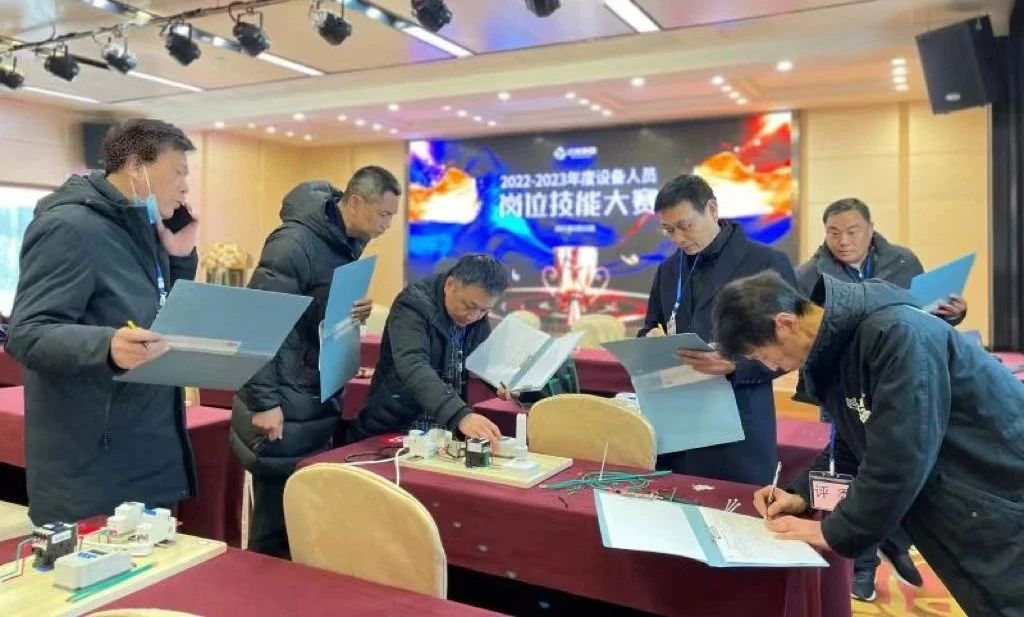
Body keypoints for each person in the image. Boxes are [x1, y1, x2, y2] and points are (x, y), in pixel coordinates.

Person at [712, 271, 1024, 617]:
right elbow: (855, 437)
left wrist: (834, 533)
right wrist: (803, 493)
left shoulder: (897, 335)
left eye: (761, 354)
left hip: (1001, 492)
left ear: (785, 324)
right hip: (968, 499)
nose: (771, 367)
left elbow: (900, 457)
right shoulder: (838, 347)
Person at [7, 119, 200, 524]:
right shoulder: (68, 227)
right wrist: (106, 346)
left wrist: (180, 257)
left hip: (146, 446)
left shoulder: (145, 230)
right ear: (136, 166)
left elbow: (160, 312)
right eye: (178, 172)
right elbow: (27, 333)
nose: (185, 187)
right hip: (91, 464)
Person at [794, 197, 969, 599]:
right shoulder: (809, 275)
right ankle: (862, 565)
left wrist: (954, 313)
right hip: (843, 388)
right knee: (851, 473)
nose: (843, 241)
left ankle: (896, 537)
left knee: (905, 464)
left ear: (871, 230)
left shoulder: (903, 262)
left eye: (852, 231)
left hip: (900, 382)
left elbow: (924, 317)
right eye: (833, 233)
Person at [229, 166, 401, 559]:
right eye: (383, 214)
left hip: (312, 393)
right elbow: (256, 324)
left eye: (392, 216)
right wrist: (265, 402)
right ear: (354, 202)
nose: (387, 225)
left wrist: (352, 311)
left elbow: (311, 312)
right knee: (273, 528)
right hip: (283, 399)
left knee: (303, 521)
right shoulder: (294, 244)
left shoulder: (345, 243)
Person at [638, 174, 797, 485]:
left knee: (737, 507)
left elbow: (793, 345)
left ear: (712, 209)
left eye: (685, 226)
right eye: (668, 230)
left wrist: (735, 365)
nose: (678, 238)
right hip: (678, 422)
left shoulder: (765, 262)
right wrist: (649, 341)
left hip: (739, 426)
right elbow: (651, 326)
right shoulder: (668, 270)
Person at [349, 254, 509, 443]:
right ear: (449, 285)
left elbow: (483, 357)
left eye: (484, 310)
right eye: (469, 306)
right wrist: (460, 414)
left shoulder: (476, 313)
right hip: (397, 427)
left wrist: (503, 383)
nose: (473, 316)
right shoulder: (413, 305)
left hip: (443, 429)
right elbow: (413, 365)